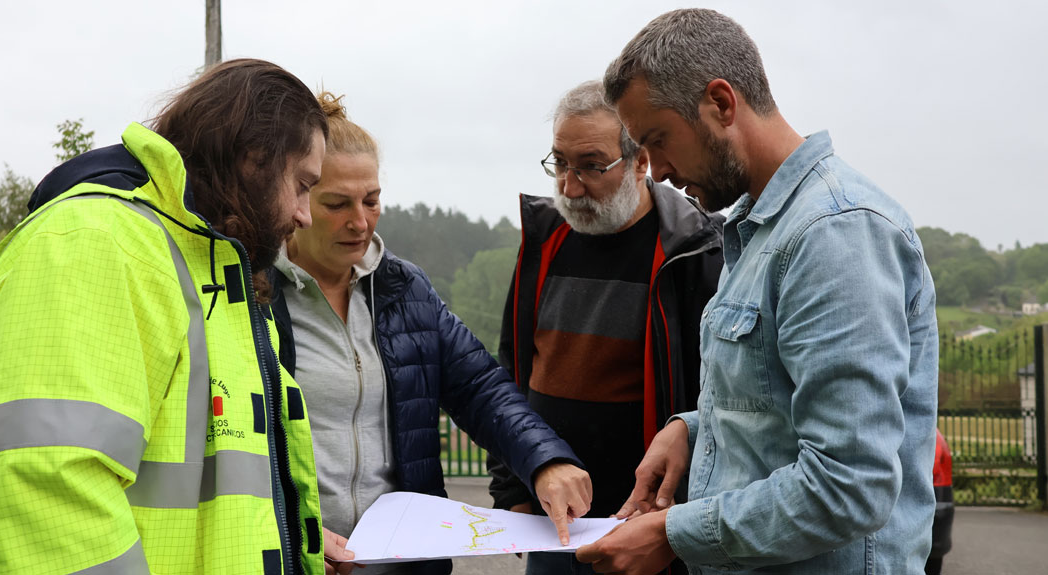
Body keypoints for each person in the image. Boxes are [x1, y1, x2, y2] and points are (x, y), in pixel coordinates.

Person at [575, 9, 939, 574]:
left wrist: (673, 534)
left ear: (721, 103)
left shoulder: (834, 234)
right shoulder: (754, 229)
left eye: (658, 140)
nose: (658, 171)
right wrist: (692, 429)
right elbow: (776, 407)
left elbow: (848, 485)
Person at [0, 59, 330, 574]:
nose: (305, 215)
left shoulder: (209, 271)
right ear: (254, 155)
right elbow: (45, 503)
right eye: (303, 185)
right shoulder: (95, 241)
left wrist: (283, 540)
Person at [269, 92, 592, 575]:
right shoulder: (254, 296)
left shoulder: (406, 289)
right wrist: (294, 537)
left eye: (372, 200)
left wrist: (545, 462)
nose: (360, 221)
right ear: (296, 197)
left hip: (405, 566)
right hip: (299, 562)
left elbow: (481, 388)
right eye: (337, 204)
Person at [485, 80, 723, 575]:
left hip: (652, 533)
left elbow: (721, 398)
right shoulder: (542, 240)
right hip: (552, 528)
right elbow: (510, 376)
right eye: (560, 163)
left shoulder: (696, 253)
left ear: (641, 162)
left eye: (592, 166)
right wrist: (512, 489)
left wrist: (675, 520)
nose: (570, 187)